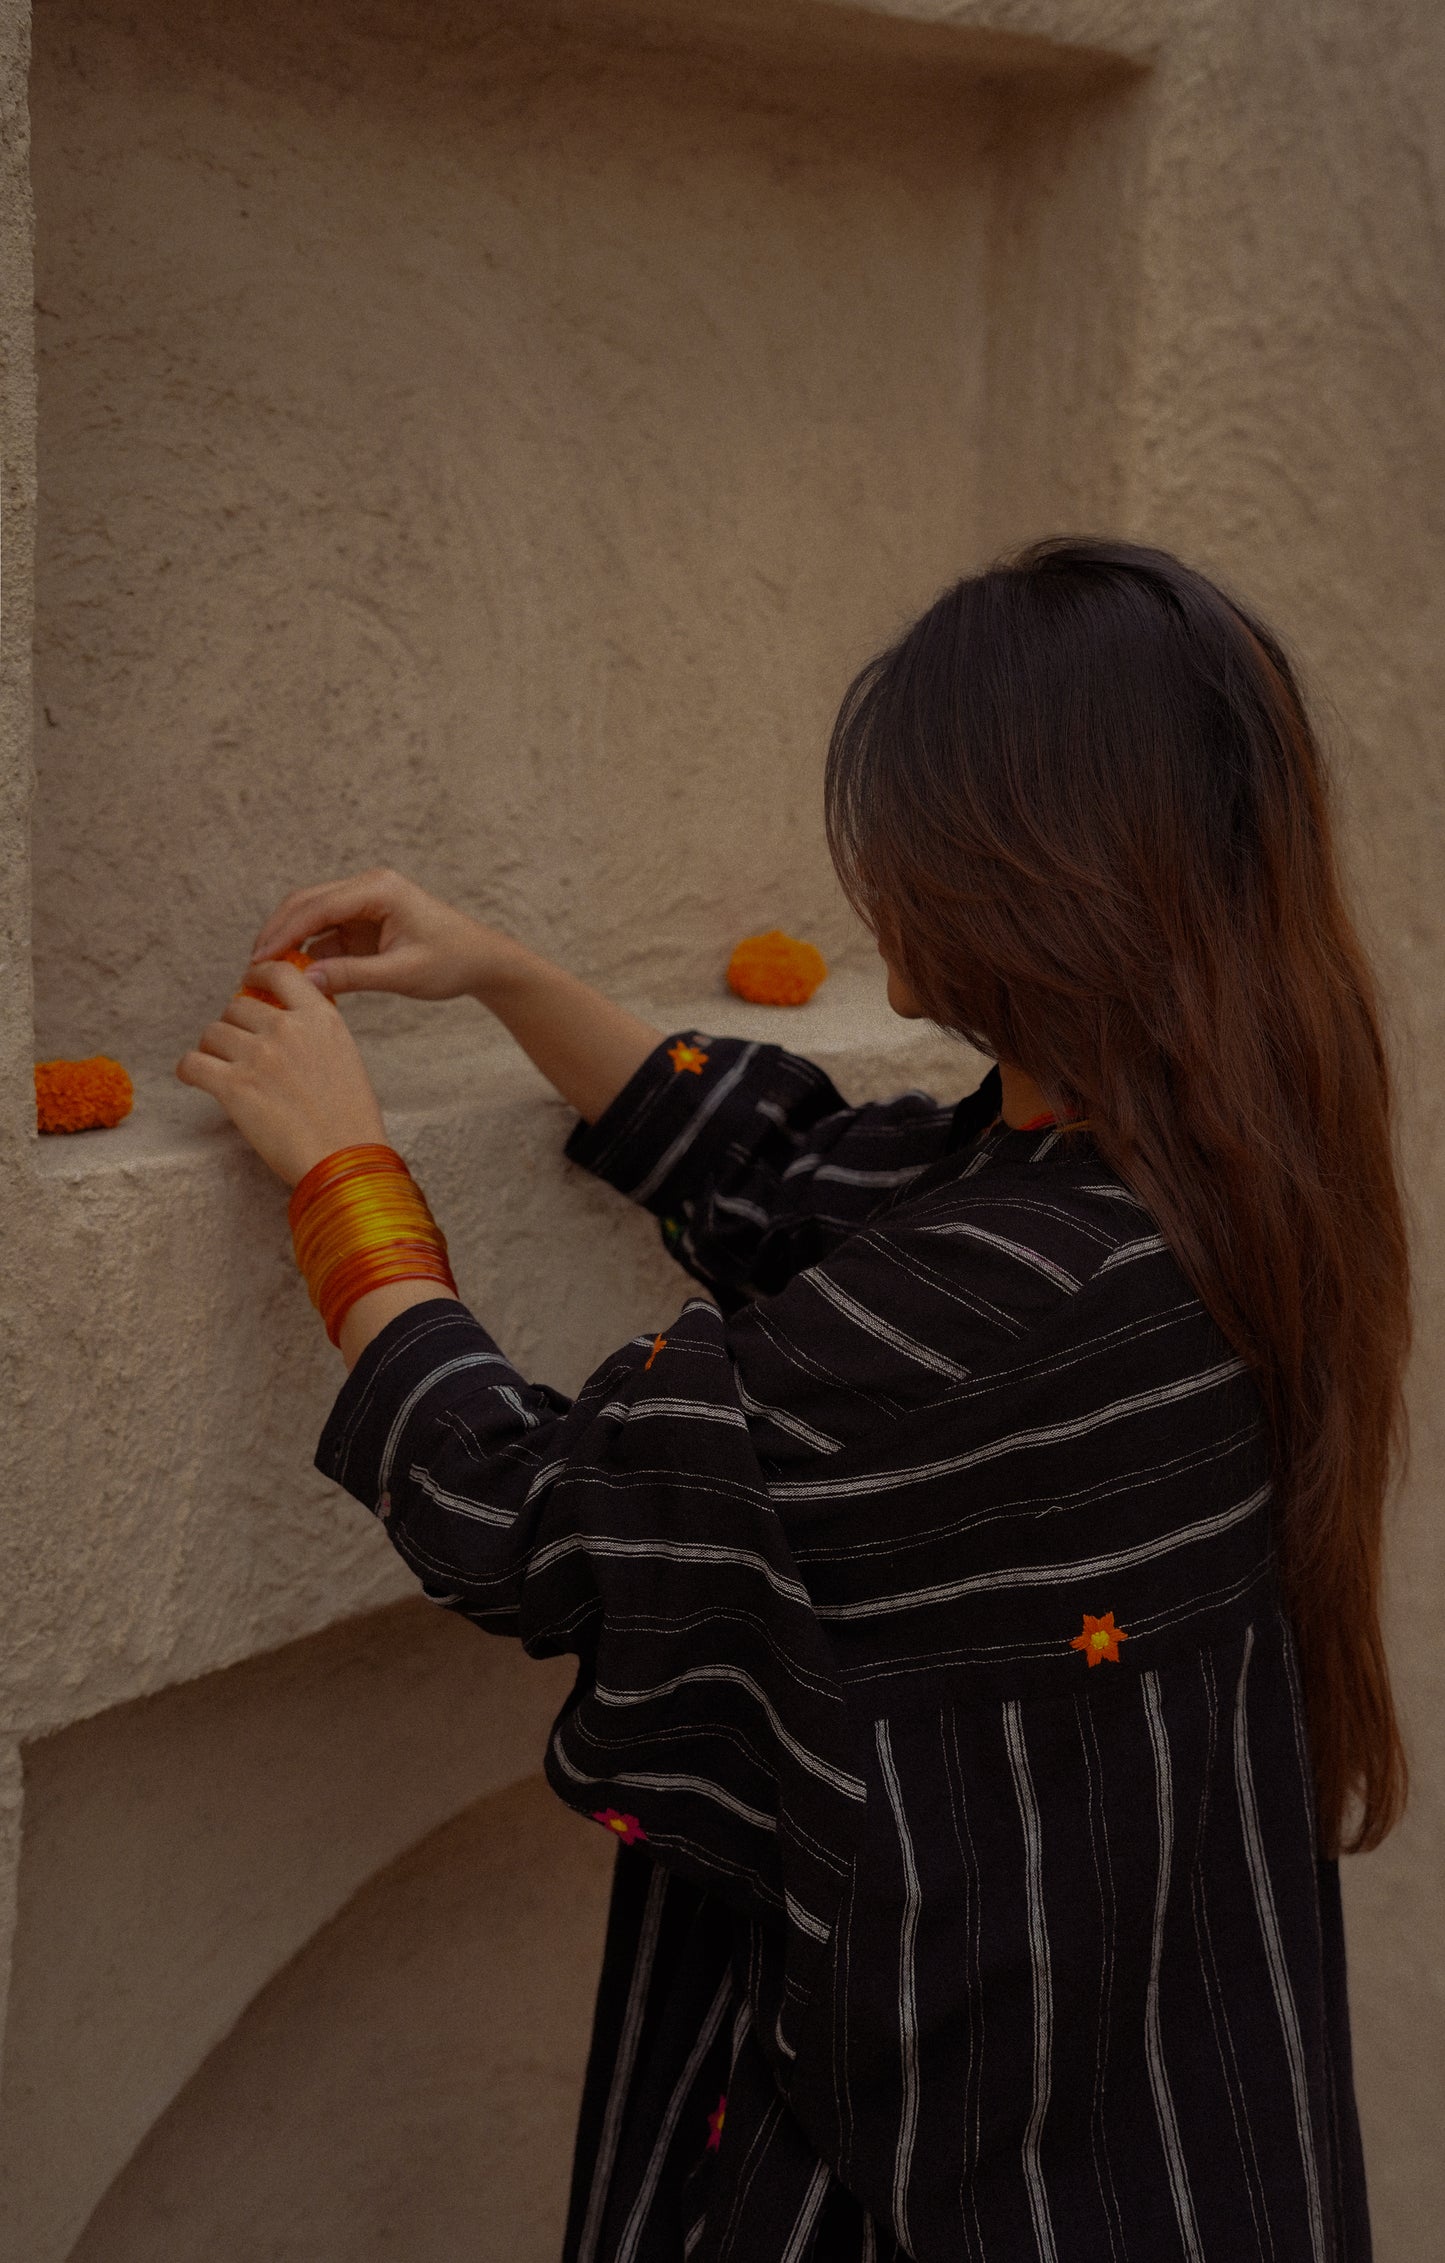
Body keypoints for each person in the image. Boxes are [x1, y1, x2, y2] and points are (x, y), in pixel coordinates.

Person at [177, 538, 1411, 2263]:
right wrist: (507, 974)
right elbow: (816, 1173)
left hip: (930, 2175)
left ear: (1018, 883)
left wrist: (342, 1173)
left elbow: (523, 1512)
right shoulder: (1221, 1177)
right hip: (1179, 2141)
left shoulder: (988, 1305)